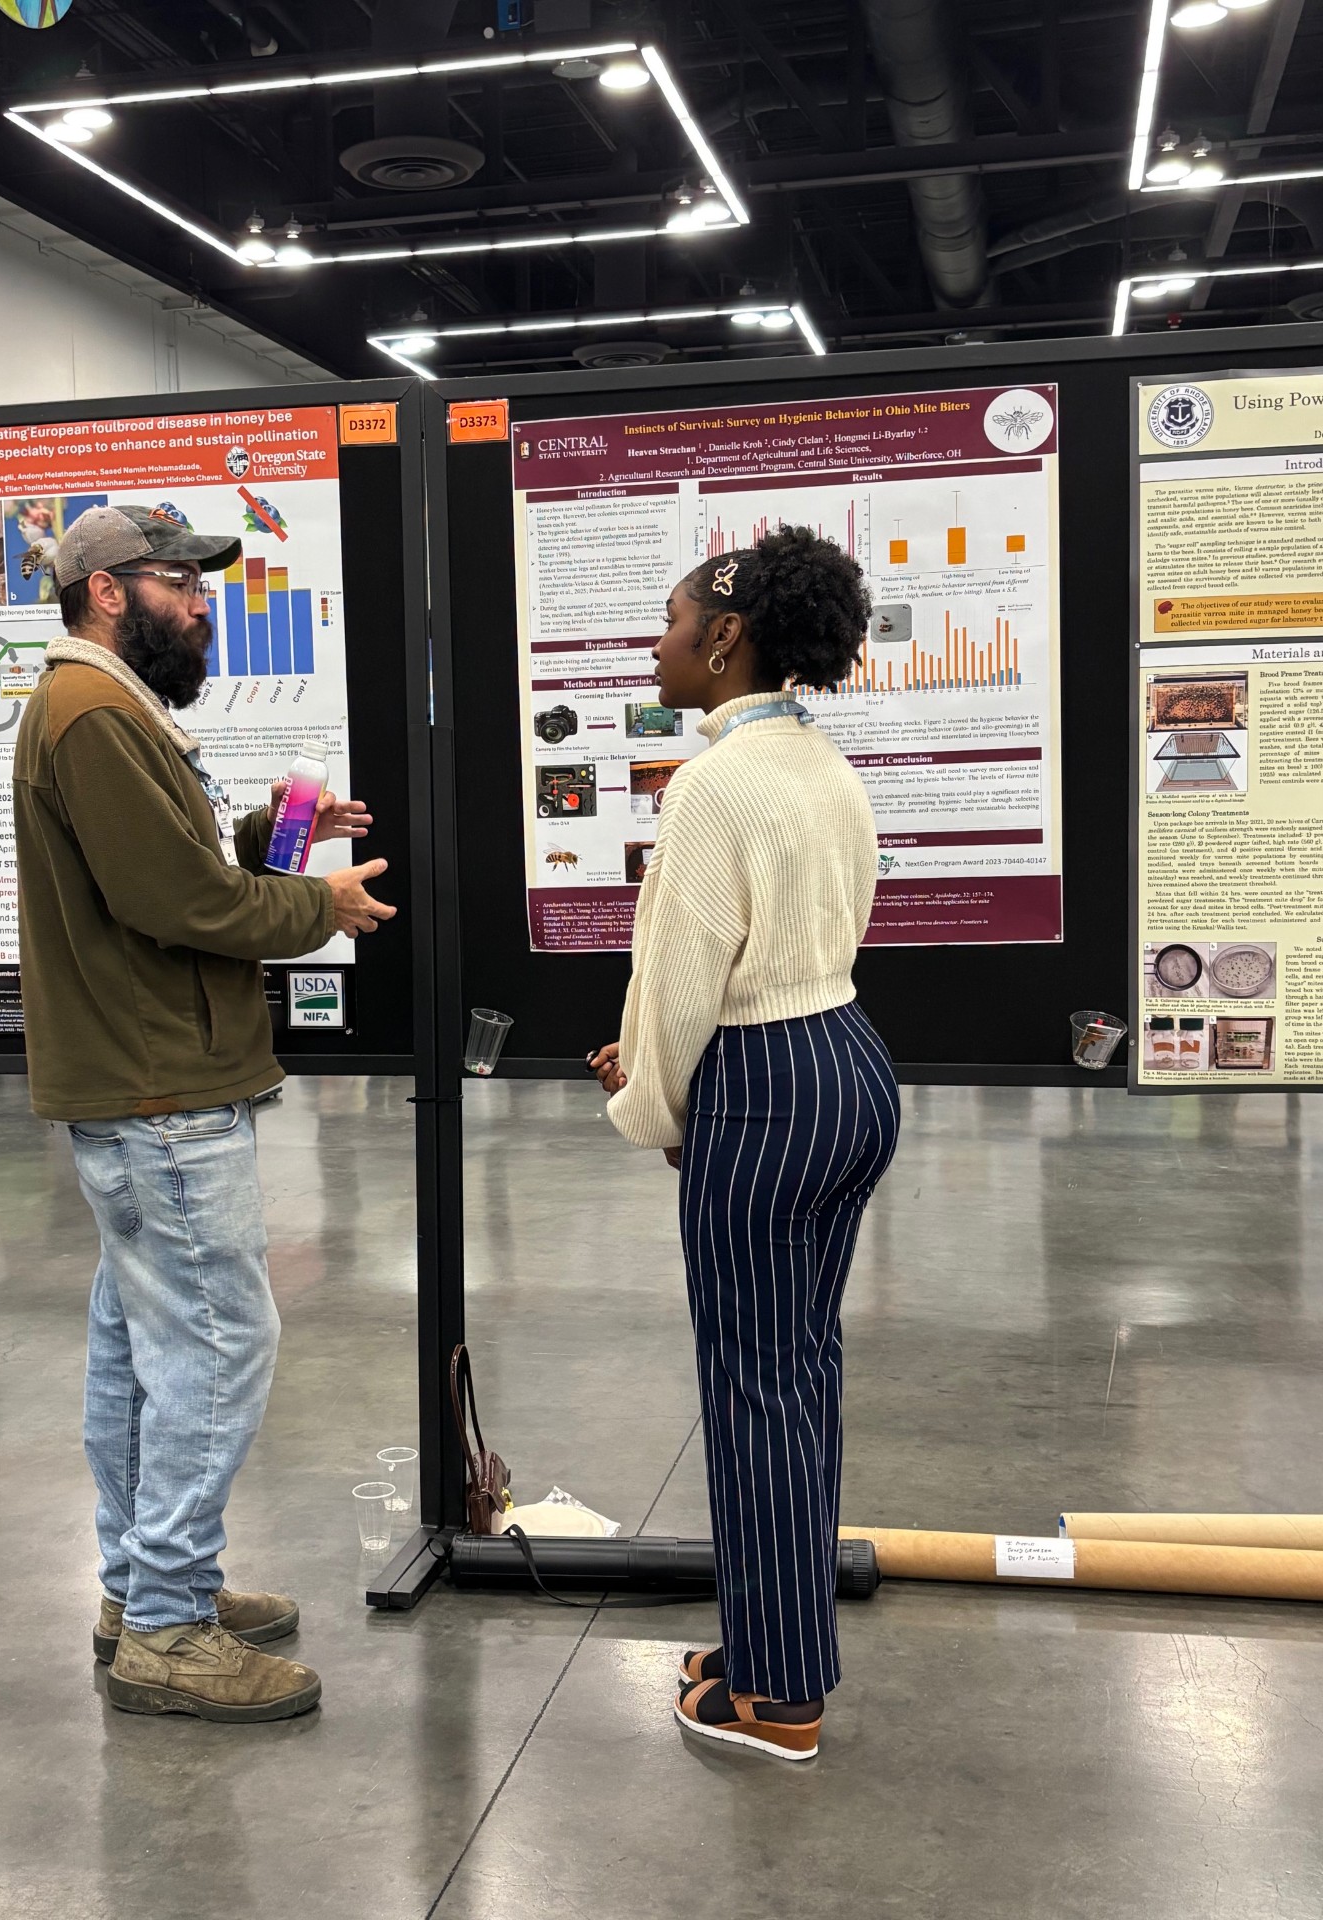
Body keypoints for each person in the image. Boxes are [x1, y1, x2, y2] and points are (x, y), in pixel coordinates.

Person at [13, 504, 395, 1724]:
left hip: (149, 1080)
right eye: (179, 582)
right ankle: (170, 1629)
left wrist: (273, 835)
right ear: (107, 591)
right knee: (220, 1344)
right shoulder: (91, 712)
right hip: (159, 1089)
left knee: (142, 1348)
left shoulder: (112, 708)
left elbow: (165, 864)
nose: (201, 603)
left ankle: (144, 1590)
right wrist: (318, 904)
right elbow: (173, 902)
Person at [591, 524, 900, 1762]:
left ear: (724, 638)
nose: (657, 645)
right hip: (845, 1061)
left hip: (765, 1088)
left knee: (752, 1386)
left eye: (671, 624)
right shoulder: (821, 762)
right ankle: (778, 1639)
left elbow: (680, 981)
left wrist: (656, 1108)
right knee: (799, 1371)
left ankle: (778, 1696)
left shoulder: (714, 785)